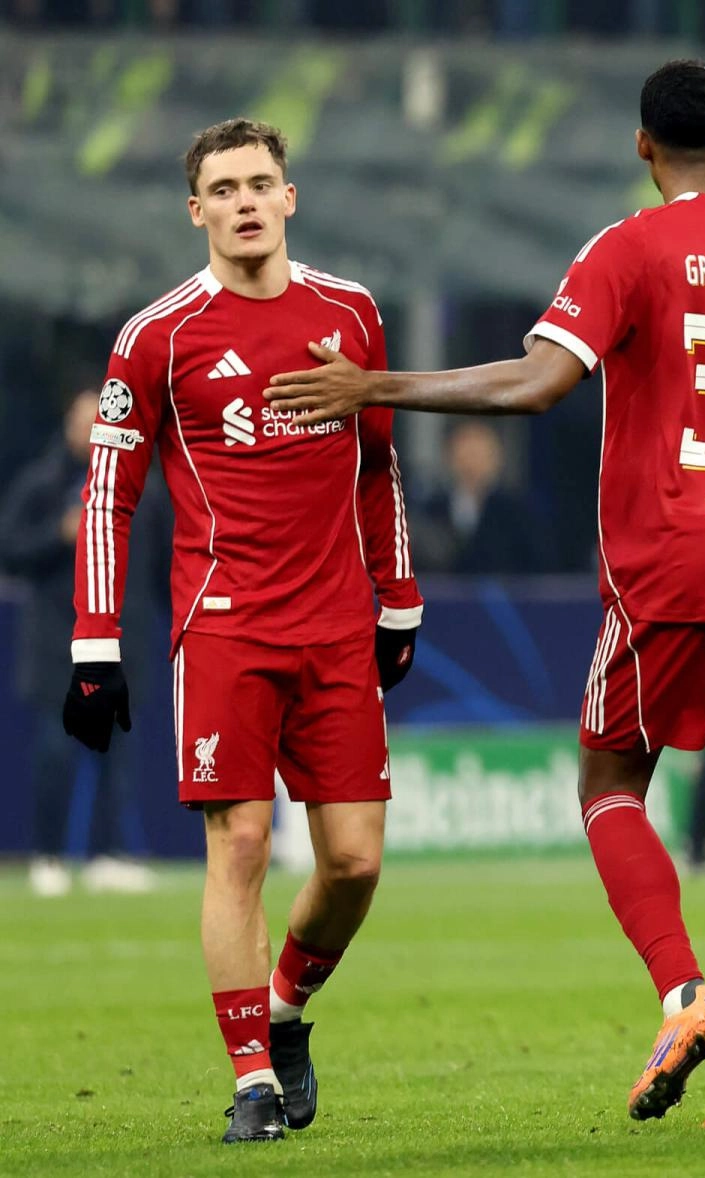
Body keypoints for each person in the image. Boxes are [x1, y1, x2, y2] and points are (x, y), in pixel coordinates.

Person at [266, 59, 705, 1133]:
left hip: (675, 559)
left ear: (643, 146)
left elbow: (539, 382)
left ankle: (683, 993)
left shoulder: (629, 247)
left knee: (608, 781)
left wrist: (373, 386)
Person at [61, 118, 424, 1144]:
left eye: (260, 183)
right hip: (224, 625)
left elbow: (378, 465)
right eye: (223, 190)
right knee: (244, 841)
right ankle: (254, 1080)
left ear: (290, 197)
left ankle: (285, 1009)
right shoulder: (158, 335)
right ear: (197, 212)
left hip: (337, 623)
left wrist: (399, 596)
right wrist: (95, 641)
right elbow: (108, 494)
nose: (245, 202)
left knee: (353, 863)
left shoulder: (351, 312)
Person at [0, 388, 160, 897]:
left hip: (122, 643)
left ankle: (109, 855)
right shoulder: (41, 484)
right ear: (68, 426)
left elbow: (162, 564)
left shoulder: (141, 491)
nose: (92, 433)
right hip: (58, 645)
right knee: (55, 753)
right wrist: (58, 534)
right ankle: (47, 856)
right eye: (84, 422)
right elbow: (10, 548)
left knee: (120, 759)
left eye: (101, 423)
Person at [409, 419, 558, 574]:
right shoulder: (430, 511)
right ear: (448, 455)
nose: (472, 462)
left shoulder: (520, 513)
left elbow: (541, 571)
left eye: (480, 451)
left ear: (497, 456)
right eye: (465, 451)